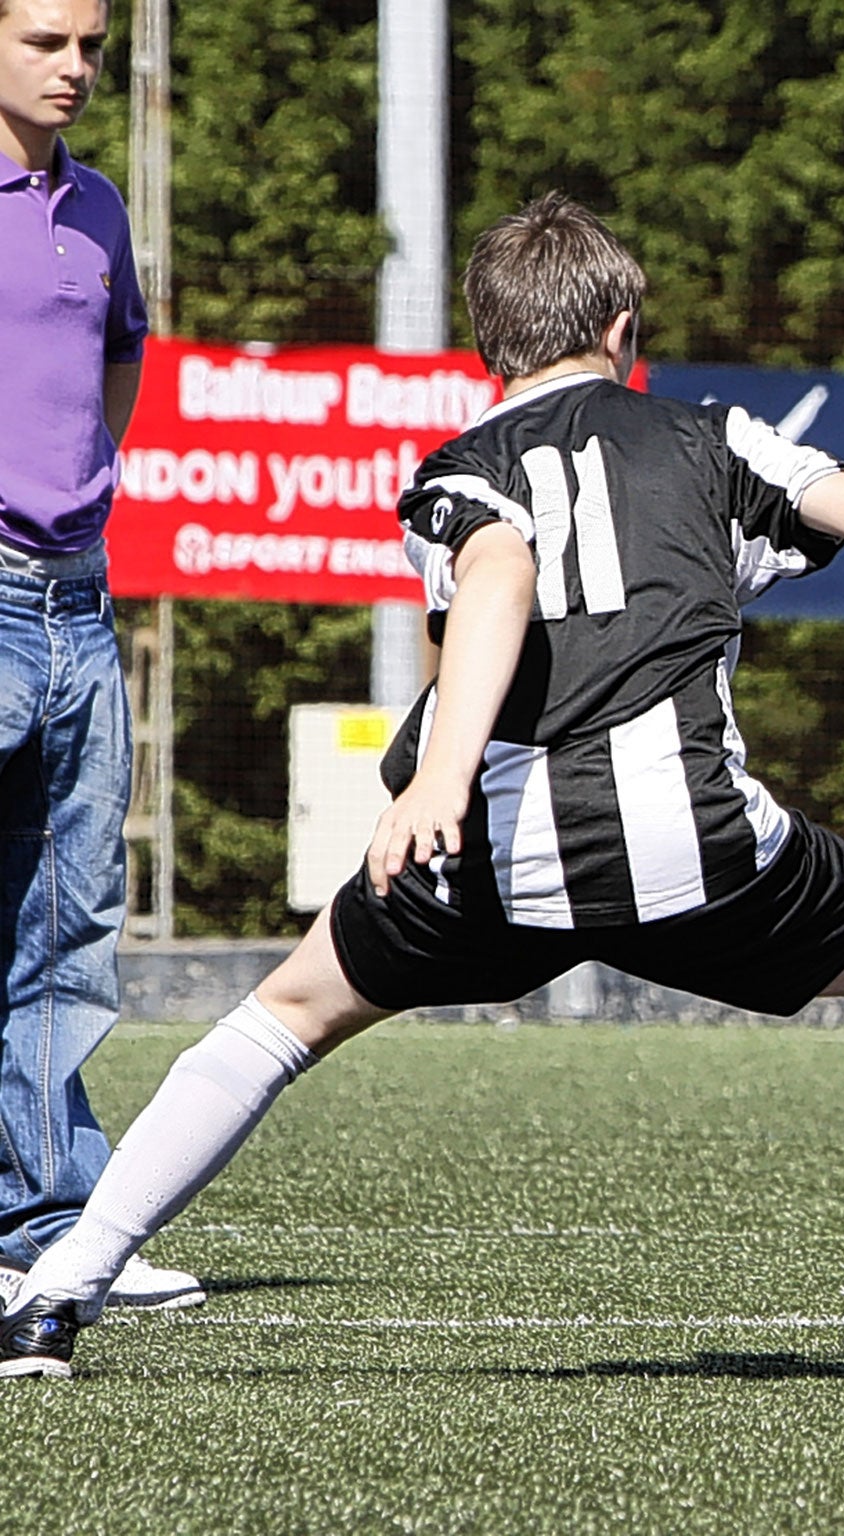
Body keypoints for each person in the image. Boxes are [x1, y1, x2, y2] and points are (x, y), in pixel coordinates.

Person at [0, 193, 844, 1387]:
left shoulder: (453, 472)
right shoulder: (712, 439)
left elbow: (495, 570)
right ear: (620, 327)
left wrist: (439, 781)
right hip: (691, 848)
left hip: (490, 860)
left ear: (489, 344)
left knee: (284, 1014)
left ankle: (54, 1301)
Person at [0, 0, 203, 1311]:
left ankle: (53, 1224)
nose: (77, 68)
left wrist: (84, 491)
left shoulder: (103, 207)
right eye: (45, 43)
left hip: (81, 598)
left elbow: (122, 354)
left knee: (66, 927)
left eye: (91, 45)